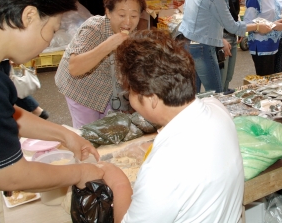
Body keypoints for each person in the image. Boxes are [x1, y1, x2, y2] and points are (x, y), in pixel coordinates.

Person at [100, 29, 244, 222]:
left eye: (130, 93)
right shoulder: (217, 108)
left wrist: (118, 182)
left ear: (151, 98)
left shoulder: (161, 169)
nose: (129, 99)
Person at [0, 0, 102, 194]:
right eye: (51, 30)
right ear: (29, 16)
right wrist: (81, 173)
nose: (49, 43)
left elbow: (4, 113)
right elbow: (10, 177)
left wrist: (65, 135)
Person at [177, 0, 273, 93]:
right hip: (202, 47)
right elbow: (233, 27)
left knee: (192, 94)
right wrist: (257, 26)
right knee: (217, 93)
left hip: (186, 43)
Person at [55, 0, 146, 129]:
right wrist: (109, 44)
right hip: (81, 90)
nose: (128, 22)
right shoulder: (94, 28)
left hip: (109, 91)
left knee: (109, 131)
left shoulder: (135, 35)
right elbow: (75, 68)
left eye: (134, 16)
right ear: (108, 13)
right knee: (89, 134)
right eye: (122, 15)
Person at [220, 0, 247, 94]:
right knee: (221, 75)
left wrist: (240, 26)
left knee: (229, 74)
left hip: (232, 30)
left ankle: (225, 93)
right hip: (221, 34)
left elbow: (234, 7)